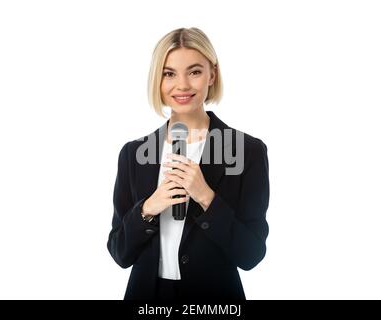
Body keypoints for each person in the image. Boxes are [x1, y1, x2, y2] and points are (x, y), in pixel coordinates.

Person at [107, 27, 270, 301]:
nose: (181, 85)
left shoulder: (247, 151)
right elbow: (120, 252)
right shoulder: (133, 154)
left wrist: (206, 196)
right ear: (157, 80)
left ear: (212, 75)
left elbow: (251, 254)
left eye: (194, 72)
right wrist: (149, 208)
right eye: (169, 73)